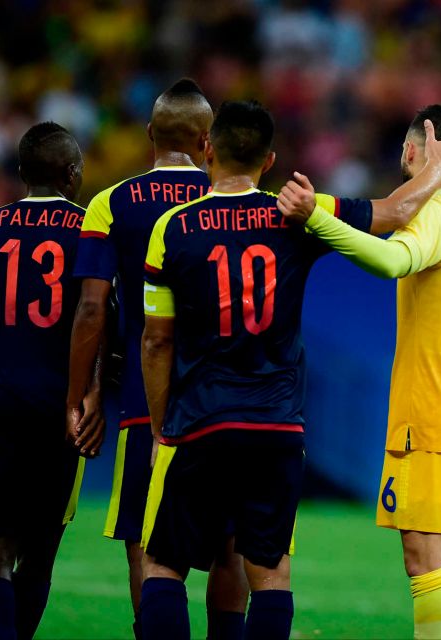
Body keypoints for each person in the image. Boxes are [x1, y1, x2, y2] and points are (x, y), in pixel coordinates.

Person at [137, 100, 441, 640]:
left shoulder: (171, 229)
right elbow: (394, 213)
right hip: (276, 425)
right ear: (269, 161)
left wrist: (158, 427)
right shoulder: (297, 213)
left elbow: (156, 340)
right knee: (271, 574)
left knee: (164, 566)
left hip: (197, 420)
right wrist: (439, 168)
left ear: (207, 150)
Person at [278, 104, 441, 640]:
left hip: (435, 409)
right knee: (434, 547)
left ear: (415, 151)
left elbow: (394, 261)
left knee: (426, 554)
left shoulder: (437, 211)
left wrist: (316, 220)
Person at [66, 77, 252, 640]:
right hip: (228, 395)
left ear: (149, 133)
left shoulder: (109, 202)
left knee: (145, 541)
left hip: (149, 396)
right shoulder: (232, 199)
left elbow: (94, 308)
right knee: (229, 545)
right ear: (208, 139)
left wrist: (85, 391)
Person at [0, 122, 99, 639]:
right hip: (62, 406)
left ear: (20, 173)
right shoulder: (91, 230)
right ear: (72, 173)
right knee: (40, 552)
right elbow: (99, 315)